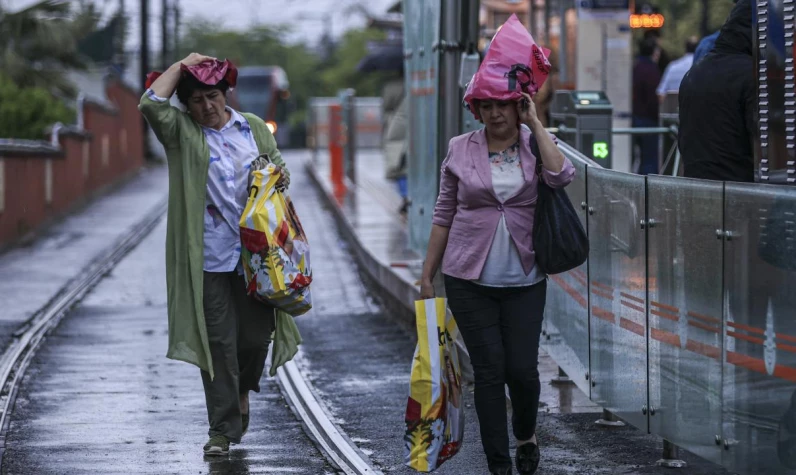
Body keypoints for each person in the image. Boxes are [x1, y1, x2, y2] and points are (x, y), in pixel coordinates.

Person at [139, 53, 299, 456]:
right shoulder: (182, 134)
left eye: (212, 96)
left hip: (257, 260)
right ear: (186, 105)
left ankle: (243, 389)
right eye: (196, 100)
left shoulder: (254, 129)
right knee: (218, 345)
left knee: (254, 340)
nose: (206, 107)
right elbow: (149, 104)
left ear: (226, 94)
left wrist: (271, 179)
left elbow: (282, 172)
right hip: (208, 259)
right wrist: (182, 64)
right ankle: (222, 431)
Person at [419, 91, 575, 475]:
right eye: (485, 107)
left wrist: (535, 124)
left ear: (516, 106)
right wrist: (427, 273)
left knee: (522, 370)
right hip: (468, 278)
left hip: (525, 277)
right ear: (477, 110)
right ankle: (499, 464)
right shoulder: (460, 149)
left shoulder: (534, 143)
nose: (493, 114)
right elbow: (444, 212)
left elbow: (562, 175)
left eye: (501, 105)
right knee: (489, 371)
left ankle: (525, 434)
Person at [678, 0, 756, 182]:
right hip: (739, 191)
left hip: (697, 187)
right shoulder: (750, 75)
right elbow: (760, 144)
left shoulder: (695, 72)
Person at [633, 37, 662, 175]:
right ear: (654, 52)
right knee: (650, 159)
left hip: (636, 117)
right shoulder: (651, 70)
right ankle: (648, 191)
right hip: (648, 120)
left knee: (640, 157)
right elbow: (652, 98)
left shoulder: (636, 67)